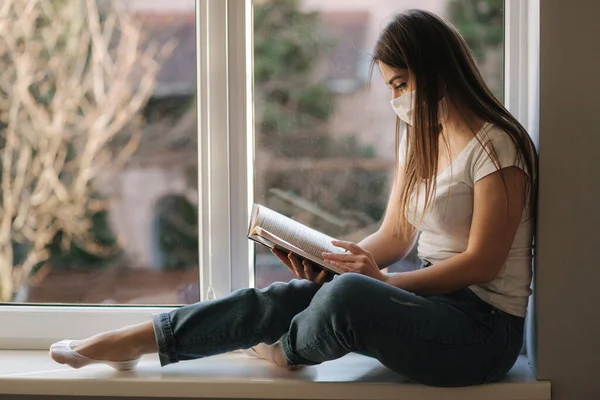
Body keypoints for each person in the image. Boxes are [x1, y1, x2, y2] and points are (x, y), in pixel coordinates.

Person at [49, 9, 537, 387]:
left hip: (483, 333)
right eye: (392, 87)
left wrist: (381, 281)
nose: (398, 100)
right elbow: (394, 235)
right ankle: (135, 340)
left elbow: (482, 263)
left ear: (437, 72)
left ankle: (285, 352)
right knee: (295, 292)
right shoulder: (421, 139)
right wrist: (331, 259)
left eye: (402, 85)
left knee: (350, 294)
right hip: (431, 306)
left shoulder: (498, 146)